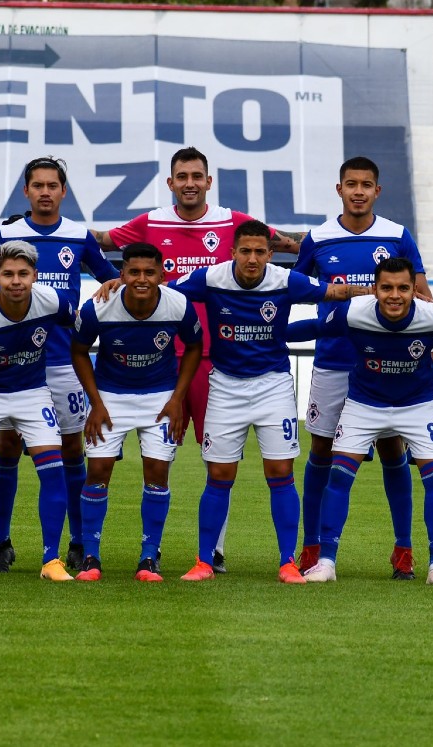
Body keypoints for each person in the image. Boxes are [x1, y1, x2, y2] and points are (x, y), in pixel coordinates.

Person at [92, 146, 303, 573]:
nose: (189, 182)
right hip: (154, 358)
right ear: (170, 183)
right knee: (147, 460)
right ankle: (131, 550)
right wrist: (107, 274)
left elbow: (287, 245)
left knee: (217, 460)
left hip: (213, 359)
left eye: (197, 175)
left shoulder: (234, 221)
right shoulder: (149, 222)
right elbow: (103, 241)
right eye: (181, 176)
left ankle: (214, 552)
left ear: (209, 181)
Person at [171, 219, 368, 584]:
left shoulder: (286, 281)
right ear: (232, 252)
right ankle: (203, 561)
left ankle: (287, 562)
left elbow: (335, 293)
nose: (252, 258)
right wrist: (119, 284)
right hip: (226, 388)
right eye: (245, 251)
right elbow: (162, 291)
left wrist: (381, 289)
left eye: (260, 251)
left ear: (271, 254)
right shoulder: (210, 278)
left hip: (273, 388)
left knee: (280, 474)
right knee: (219, 475)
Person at [0, 156, 119, 574]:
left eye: (53, 185)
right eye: (38, 185)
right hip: (12, 365)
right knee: (10, 448)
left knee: (71, 450)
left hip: (63, 362)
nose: (46, 192)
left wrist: (103, 303)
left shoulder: (78, 235)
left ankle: (74, 541)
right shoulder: (7, 234)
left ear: (63, 191)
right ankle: (1, 541)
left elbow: (111, 279)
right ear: (27, 191)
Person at [292, 156, 433, 580]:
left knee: (394, 451)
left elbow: (422, 293)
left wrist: (430, 348)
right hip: (334, 360)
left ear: (377, 191)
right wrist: (328, 291)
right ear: (339, 189)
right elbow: (298, 290)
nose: (358, 191)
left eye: (366, 184)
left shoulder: (397, 235)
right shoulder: (318, 238)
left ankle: (404, 549)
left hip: (390, 363)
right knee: (321, 452)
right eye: (351, 184)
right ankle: (313, 548)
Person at [289, 257, 433, 587]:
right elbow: (315, 328)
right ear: (374, 289)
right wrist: (268, 336)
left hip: (418, 405)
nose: (394, 295)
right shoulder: (354, 312)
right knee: (340, 475)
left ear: (414, 291)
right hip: (364, 404)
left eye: (403, 288)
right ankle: (327, 562)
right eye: (386, 288)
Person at [70, 243, 203, 582]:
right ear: (122, 274)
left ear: (162, 275)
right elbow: (79, 351)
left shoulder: (178, 304)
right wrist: (96, 403)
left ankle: (148, 557)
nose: (142, 279)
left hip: (159, 397)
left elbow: (194, 347)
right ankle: (90, 556)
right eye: (134, 272)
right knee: (97, 470)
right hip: (111, 397)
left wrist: (177, 399)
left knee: (157, 472)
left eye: (149, 272)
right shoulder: (98, 307)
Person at [0, 241, 78, 583]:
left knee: (53, 470)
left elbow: (83, 325)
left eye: (23, 273)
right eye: (8, 274)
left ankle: (52, 560)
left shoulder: (51, 301)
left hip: (32, 393)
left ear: (35, 276)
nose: (16, 281)